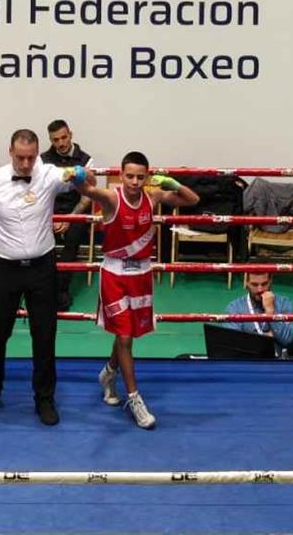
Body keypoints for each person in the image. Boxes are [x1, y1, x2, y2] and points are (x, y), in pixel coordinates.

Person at [0, 129, 79, 426]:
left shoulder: (50, 174)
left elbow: (84, 185)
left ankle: (44, 398)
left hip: (42, 267)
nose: (26, 164)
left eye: (31, 158)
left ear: (37, 154)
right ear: (9, 152)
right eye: (21, 157)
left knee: (45, 335)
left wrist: (79, 175)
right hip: (5, 268)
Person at [72, 151, 199, 429]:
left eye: (140, 177)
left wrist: (173, 184)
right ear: (121, 174)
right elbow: (87, 189)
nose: (134, 182)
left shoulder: (153, 197)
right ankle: (134, 398)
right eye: (129, 176)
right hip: (115, 273)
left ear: (147, 176)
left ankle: (109, 373)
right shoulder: (111, 198)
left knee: (128, 333)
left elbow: (193, 200)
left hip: (142, 273)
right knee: (126, 337)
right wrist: (78, 176)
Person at [40, 120, 94, 311]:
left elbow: (89, 194)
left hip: (76, 210)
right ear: (51, 140)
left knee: (72, 241)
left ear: (71, 134)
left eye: (64, 137)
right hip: (49, 211)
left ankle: (61, 290)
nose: (61, 143)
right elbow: (38, 191)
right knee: (41, 241)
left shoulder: (86, 160)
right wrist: (52, 217)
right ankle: (44, 289)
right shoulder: (42, 159)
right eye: (56, 140)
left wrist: (70, 218)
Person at [220, 272, 293, 358]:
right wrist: (266, 339)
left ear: (270, 281)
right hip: (248, 363)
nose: (260, 289)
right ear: (246, 282)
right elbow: (234, 345)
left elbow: (287, 340)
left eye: (264, 284)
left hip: (279, 363)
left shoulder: (284, 303)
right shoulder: (234, 308)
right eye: (254, 284)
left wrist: (270, 312)